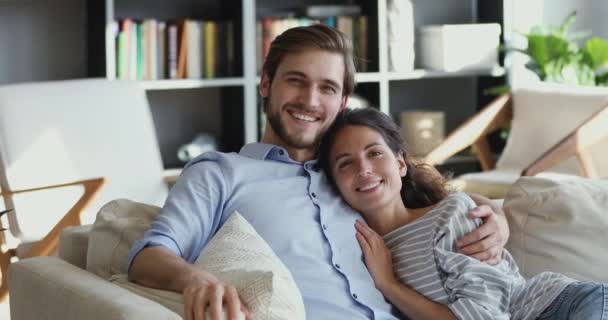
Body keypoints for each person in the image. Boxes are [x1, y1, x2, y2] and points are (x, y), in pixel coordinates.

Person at [128, 24, 510, 320]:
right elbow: (149, 256)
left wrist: (493, 215)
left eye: (326, 88)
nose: (310, 100)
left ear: (342, 103)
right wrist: (196, 279)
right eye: (296, 81)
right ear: (266, 83)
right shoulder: (220, 173)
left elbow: (421, 208)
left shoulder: (350, 177)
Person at [318, 107, 607, 320]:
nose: (363, 169)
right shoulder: (356, 246)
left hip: (562, 308)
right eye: (345, 163)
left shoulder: (449, 216)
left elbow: (484, 318)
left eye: (375, 153)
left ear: (401, 165)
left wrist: (390, 285)